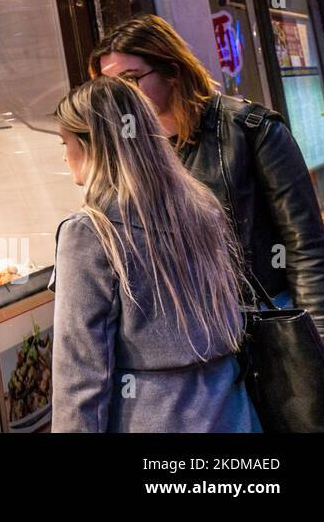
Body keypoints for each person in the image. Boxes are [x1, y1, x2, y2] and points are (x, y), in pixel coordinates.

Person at [91, 14, 324, 347]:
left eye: (131, 80)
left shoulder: (250, 129)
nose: (122, 97)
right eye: (113, 88)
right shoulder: (125, 150)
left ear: (172, 71)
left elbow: (305, 246)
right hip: (187, 338)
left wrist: (320, 345)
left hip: (261, 321)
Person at [51, 76, 259, 432]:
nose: (65, 156)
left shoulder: (90, 231)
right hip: (231, 411)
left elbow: (81, 372)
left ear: (91, 145)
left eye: (65, 142)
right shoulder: (202, 207)